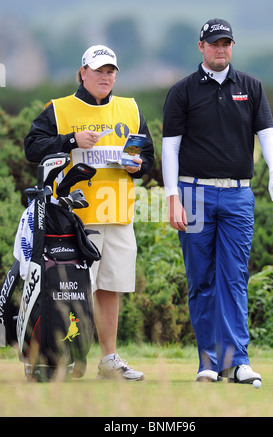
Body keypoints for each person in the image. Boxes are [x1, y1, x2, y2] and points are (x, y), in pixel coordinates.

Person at [162, 18, 273, 383]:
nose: (221, 49)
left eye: (226, 43)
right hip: (193, 193)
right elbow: (170, 147)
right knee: (201, 279)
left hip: (237, 195)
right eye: (214, 43)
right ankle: (208, 362)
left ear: (232, 47)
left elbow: (266, 133)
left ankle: (237, 361)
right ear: (201, 47)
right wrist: (172, 196)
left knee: (233, 277)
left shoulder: (250, 86)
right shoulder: (182, 91)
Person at [24, 44, 154, 381]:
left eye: (111, 71)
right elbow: (32, 147)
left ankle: (109, 359)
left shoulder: (130, 108)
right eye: (99, 71)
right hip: (73, 218)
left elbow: (148, 158)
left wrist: (138, 166)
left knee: (111, 288)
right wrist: (70, 141)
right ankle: (62, 356)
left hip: (119, 214)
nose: (105, 76)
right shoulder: (59, 109)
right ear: (83, 73)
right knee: (71, 290)